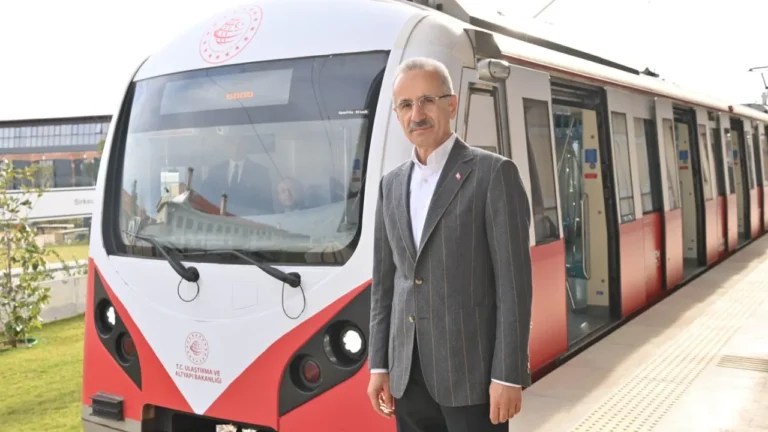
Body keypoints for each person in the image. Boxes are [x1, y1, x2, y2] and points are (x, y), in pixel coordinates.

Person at [367, 57, 533, 432]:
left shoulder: (493, 174)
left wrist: (508, 375)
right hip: (408, 377)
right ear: (397, 115)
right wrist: (380, 364)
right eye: (406, 105)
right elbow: (386, 285)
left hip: (471, 377)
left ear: (452, 104)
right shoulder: (390, 185)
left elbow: (514, 286)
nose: (417, 114)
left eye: (427, 100)